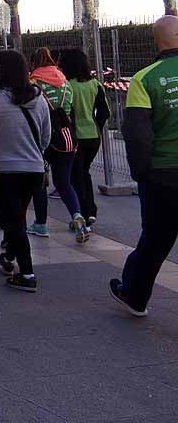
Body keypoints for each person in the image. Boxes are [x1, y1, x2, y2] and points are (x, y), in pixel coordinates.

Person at [112, 16, 178, 317]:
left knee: (154, 240)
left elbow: (137, 134)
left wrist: (142, 174)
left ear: (157, 41)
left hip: (163, 176)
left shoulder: (144, 78)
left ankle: (135, 297)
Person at [0, 50, 51, 293]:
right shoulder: (39, 99)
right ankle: (9, 255)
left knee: (14, 220)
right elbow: (45, 137)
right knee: (16, 215)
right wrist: (33, 153)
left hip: (2, 169)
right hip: (33, 169)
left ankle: (27, 273)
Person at [30, 47, 90, 243]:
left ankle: (40, 224)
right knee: (64, 183)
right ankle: (77, 216)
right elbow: (69, 107)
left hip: (42, 138)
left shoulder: (33, 82)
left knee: (40, 183)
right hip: (66, 136)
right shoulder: (65, 82)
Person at [59, 48, 110, 228]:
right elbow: (104, 112)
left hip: (76, 137)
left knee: (76, 176)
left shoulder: (67, 86)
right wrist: (96, 125)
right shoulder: (96, 84)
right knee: (84, 172)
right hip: (93, 136)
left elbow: (66, 113)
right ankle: (90, 211)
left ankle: (83, 213)